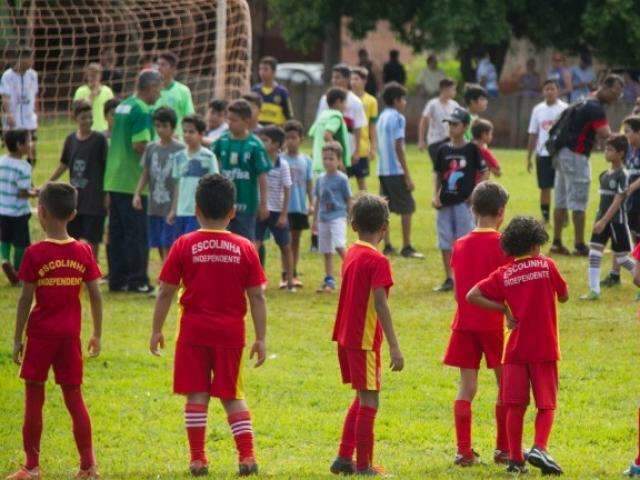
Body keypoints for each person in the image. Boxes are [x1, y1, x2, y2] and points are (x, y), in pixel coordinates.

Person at [149, 174, 267, 477]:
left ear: (197, 209)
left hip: (192, 332)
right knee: (232, 394)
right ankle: (247, 457)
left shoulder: (184, 244)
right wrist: (261, 338)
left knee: (196, 394)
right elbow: (257, 297)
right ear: (232, 212)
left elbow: (165, 290)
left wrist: (156, 329)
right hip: (231, 334)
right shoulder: (245, 247)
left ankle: (198, 459)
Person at [8, 182, 103, 480]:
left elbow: (25, 299)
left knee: (33, 398)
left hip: (40, 336)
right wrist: (97, 333)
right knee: (74, 397)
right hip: (70, 336)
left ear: (42, 212)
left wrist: (16, 338)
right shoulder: (83, 251)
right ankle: (88, 466)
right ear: (73, 214)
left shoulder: (35, 253)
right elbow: (95, 294)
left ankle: (32, 467)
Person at [467, 216, 569, 475]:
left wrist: (502, 308)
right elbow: (565, 295)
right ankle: (539, 447)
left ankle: (515, 460)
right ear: (537, 244)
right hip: (544, 347)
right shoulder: (547, 265)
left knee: (515, 405)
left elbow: (472, 295)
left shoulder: (505, 273)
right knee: (546, 404)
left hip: (514, 350)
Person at [329, 193, 404, 476]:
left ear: (353, 225)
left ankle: (344, 458)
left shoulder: (351, 253)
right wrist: (395, 347)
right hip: (364, 340)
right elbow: (381, 303)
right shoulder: (378, 261)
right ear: (384, 228)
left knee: (362, 397)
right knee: (371, 399)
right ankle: (363, 466)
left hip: (346, 337)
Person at [443, 181, 510, 467]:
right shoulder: (504, 244)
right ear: (501, 212)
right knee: (505, 386)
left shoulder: (459, 245)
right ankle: (503, 449)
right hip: (495, 324)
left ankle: (463, 451)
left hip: (464, 324)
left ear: (472, 210)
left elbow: (460, 291)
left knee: (466, 387)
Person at [551, 74, 624, 257]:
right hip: (576, 156)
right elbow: (605, 133)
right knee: (578, 201)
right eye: (616, 91)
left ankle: (557, 243)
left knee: (560, 200)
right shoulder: (595, 107)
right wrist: (626, 139)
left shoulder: (583, 100)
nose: (617, 97)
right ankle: (580, 245)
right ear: (605, 87)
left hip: (561, 153)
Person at [103, 69, 162, 294]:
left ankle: (117, 280)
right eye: (158, 88)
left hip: (114, 178)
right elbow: (139, 145)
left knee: (117, 233)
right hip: (131, 181)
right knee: (136, 233)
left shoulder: (124, 105)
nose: (159, 93)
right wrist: (162, 147)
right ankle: (138, 280)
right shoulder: (142, 109)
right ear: (149, 87)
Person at [433, 107, 488, 292]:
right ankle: (449, 278)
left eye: (455, 124)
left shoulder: (472, 149)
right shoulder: (442, 149)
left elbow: (484, 171)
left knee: (465, 241)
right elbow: (438, 174)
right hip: (445, 202)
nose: (451, 127)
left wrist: (475, 194)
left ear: (465, 126)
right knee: (445, 240)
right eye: (449, 124)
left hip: (464, 203)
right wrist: (436, 195)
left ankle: (466, 276)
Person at [48, 100, 108, 260]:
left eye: (90, 117)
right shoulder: (70, 140)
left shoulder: (99, 140)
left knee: (91, 239)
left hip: (94, 199)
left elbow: (106, 168)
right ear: (75, 118)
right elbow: (64, 164)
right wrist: (49, 182)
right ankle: (74, 269)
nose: (88, 121)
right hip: (75, 199)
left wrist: (106, 194)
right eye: (83, 118)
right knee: (73, 237)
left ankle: (91, 271)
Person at [580, 134, 634, 300]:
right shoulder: (604, 174)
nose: (606, 152)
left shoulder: (623, 175)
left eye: (610, 150)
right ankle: (594, 290)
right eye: (605, 149)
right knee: (594, 251)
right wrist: (599, 219)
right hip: (601, 219)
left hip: (616, 222)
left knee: (623, 257)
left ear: (621, 153)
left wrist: (604, 221)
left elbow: (618, 200)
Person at [212, 99, 270, 241]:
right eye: (228, 119)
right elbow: (211, 160)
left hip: (247, 206)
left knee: (244, 243)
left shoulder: (255, 145)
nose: (229, 123)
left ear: (247, 121)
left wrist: (263, 204)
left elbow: (262, 176)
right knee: (222, 243)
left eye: (234, 120)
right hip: (223, 205)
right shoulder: (222, 140)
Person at [377, 82, 423, 259]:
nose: (405, 102)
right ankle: (406, 246)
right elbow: (399, 146)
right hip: (395, 170)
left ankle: (387, 245)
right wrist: (407, 175)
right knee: (407, 207)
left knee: (385, 208)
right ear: (396, 100)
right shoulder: (397, 118)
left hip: (383, 169)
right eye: (403, 99)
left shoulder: (382, 117)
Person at [132, 107, 185, 261]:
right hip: (154, 205)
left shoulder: (180, 149)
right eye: (158, 126)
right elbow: (146, 173)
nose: (161, 130)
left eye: (165, 126)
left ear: (173, 127)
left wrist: (175, 208)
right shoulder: (151, 148)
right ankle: (166, 275)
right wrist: (137, 193)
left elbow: (180, 181)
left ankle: (169, 279)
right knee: (159, 243)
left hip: (171, 206)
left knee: (170, 242)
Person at [255, 125, 295, 291]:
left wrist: (284, 215)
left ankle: (290, 281)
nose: (262, 143)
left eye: (265, 140)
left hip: (277, 211)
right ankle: (255, 281)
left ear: (276, 144)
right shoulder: (257, 161)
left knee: (285, 246)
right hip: (259, 210)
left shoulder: (282, 164)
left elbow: (287, 189)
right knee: (254, 246)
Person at [526, 79, 568, 224]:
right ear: (543, 91)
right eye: (547, 89)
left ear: (558, 91)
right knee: (545, 187)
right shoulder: (538, 109)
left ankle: (563, 215)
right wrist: (529, 156)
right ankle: (545, 216)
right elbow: (533, 133)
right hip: (543, 154)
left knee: (561, 186)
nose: (549, 92)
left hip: (560, 154)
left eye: (552, 89)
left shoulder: (565, 108)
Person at [169, 114, 218, 237]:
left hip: (199, 212)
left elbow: (215, 184)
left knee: (194, 245)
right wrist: (173, 209)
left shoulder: (209, 156)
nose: (187, 135)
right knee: (181, 246)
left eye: (191, 132)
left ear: (201, 134)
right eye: (185, 131)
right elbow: (177, 185)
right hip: (181, 211)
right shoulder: (178, 157)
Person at [313, 142, 352, 293]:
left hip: (338, 217)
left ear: (339, 161)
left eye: (331, 158)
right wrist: (315, 220)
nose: (327, 161)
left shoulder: (342, 179)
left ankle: (352, 269)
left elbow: (348, 198)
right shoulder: (320, 178)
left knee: (339, 245)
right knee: (326, 250)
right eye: (325, 158)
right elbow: (318, 200)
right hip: (323, 218)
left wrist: (350, 215)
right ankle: (329, 279)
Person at [0, 129, 37, 284]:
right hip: (18, 212)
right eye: (28, 141)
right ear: (19, 145)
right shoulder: (24, 167)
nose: (31, 144)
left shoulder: (2, 161)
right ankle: (17, 271)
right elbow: (23, 193)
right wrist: (37, 193)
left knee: (5, 239)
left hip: (2, 210)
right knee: (22, 243)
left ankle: (4, 259)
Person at [316, 64, 366, 168]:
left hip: (347, 146)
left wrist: (356, 151)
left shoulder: (356, 102)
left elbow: (358, 128)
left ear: (347, 79)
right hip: (327, 149)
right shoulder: (325, 100)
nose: (334, 80)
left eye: (338, 77)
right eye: (333, 77)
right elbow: (319, 125)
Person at [282, 120, 313, 288]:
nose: (290, 141)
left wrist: (311, 202)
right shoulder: (280, 159)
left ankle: (293, 272)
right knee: (284, 242)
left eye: (294, 137)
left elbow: (309, 183)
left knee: (296, 240)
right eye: (287, 138)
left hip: (299, 206)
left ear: (301, 138)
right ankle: (284, 274)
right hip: (284, 208)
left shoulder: (306, 160)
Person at [1, 48, 38, 165]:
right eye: (30, 59)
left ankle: (28, 175)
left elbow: (33, 96)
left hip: (29, 121)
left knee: (32, 150)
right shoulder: (7, 76)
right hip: (13, 121)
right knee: (13, 153)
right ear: (21, 59)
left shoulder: (33, 75)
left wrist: (35, 115)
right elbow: (5, 97)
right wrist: (8, 115)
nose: (32, 61)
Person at [418, 78, 460, 166]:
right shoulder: (433, 104)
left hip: (449, 141)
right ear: (444, 90)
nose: (454, 92)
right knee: (439, 169)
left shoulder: (454, 105)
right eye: (453, 89)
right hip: (435, 142)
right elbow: (423, 122)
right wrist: (421, 140)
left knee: (451, 168)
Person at [349, 67, 378, 191]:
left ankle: (363, 207)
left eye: (356, 79)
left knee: (361, 179)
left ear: (364, 81)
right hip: (348, 145)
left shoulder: (371, 101)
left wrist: (373, 148)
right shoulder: (346, 98)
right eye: (351, 79)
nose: (353, 82)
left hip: (362, 147)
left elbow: (372, 126)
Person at [155, 51, 195, 139]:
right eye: (157, 65)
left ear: (173, 69)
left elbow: (189, 118)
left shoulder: (183, 91)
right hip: (155, 143)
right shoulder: (151, 91)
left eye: (163, 65)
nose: (159, 68)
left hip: (176, 142)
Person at [309, 87, 350, 173]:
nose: (346, 105)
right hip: (332, 165)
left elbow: (312, 134)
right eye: (345, 102)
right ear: (339, 102)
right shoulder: (336, 116)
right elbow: (327, 135)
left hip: (319, 162)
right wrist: (339, 160)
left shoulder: (323, 115)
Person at [251, 56, 293, 126]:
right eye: (260, 69)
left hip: (276, 132)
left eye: (265, 69)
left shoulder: (282, 92)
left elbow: (289, 115)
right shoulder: (255, 90)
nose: (262, 72)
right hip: (258, 131)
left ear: (274, 72)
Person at [73, 63, 114, 132]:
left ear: (100, 76)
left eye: (95, 76)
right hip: (87, 130)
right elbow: (76, 111)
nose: (92, 78)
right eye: (90, 76)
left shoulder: (107, 91)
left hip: (104, 130)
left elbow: (112, 111)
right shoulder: (80, 91)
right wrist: (92, 96)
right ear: (87, 76)